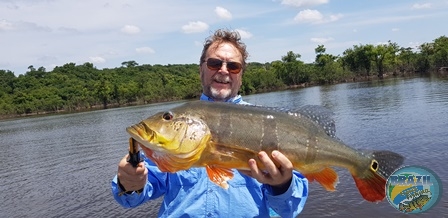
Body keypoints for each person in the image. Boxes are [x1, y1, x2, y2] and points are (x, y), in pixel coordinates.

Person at [111, 29, 309, 217]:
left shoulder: (268, 125)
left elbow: (289, 209)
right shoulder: (176, 130)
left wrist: (282, 185)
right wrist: (129, 182)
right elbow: (135, 195)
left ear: (241, 75)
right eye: (214, 63)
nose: (223, 71)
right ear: (201, 69)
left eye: (233, 66)